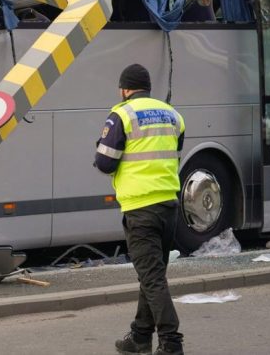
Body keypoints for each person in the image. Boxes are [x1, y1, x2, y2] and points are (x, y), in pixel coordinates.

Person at [94, 64, 186, 355]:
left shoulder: (121, 114)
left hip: (140, 208)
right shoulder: (173, 115)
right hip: (170, 206)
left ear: (125, 89)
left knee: (152, 277)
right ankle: (140, 338)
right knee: (152, 274)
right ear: (147, 88)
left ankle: (171, 343)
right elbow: (175, 150)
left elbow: (106, 162)